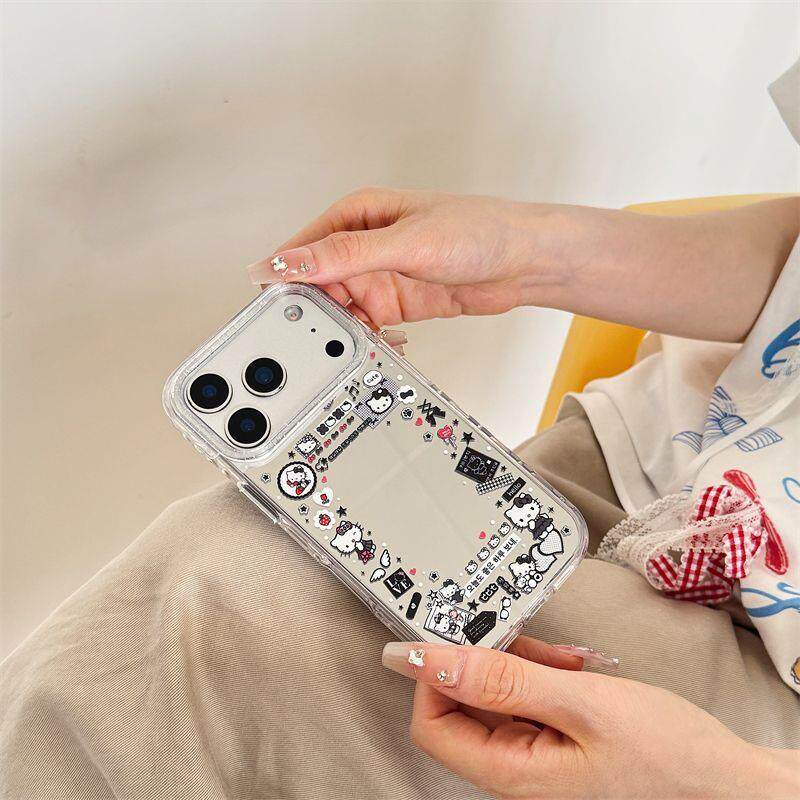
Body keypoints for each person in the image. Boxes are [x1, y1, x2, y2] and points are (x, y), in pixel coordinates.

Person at [2, 63, 799, 800]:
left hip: (759, 707)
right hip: (673, 452)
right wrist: (528, 254)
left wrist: (738, 784)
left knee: (224, 619)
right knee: (205, 591)